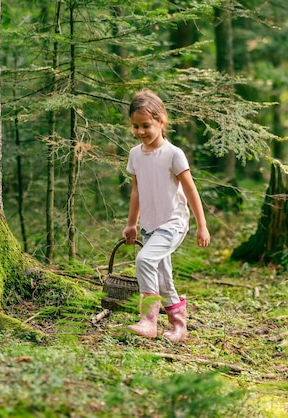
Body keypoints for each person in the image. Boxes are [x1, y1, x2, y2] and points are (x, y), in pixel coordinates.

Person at [122, 89, 210, 344]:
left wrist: (202, 226)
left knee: (144, 260)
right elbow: (136, 191)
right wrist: (131, 224)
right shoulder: (135, 154)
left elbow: (191, 190)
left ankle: (149, 320)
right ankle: (179, 327)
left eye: (146, 125)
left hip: (173, 223)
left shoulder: (173, 154)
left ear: (161, 122)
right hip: (150, 226)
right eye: (135, 126)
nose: (140, 131)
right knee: (162, 277)